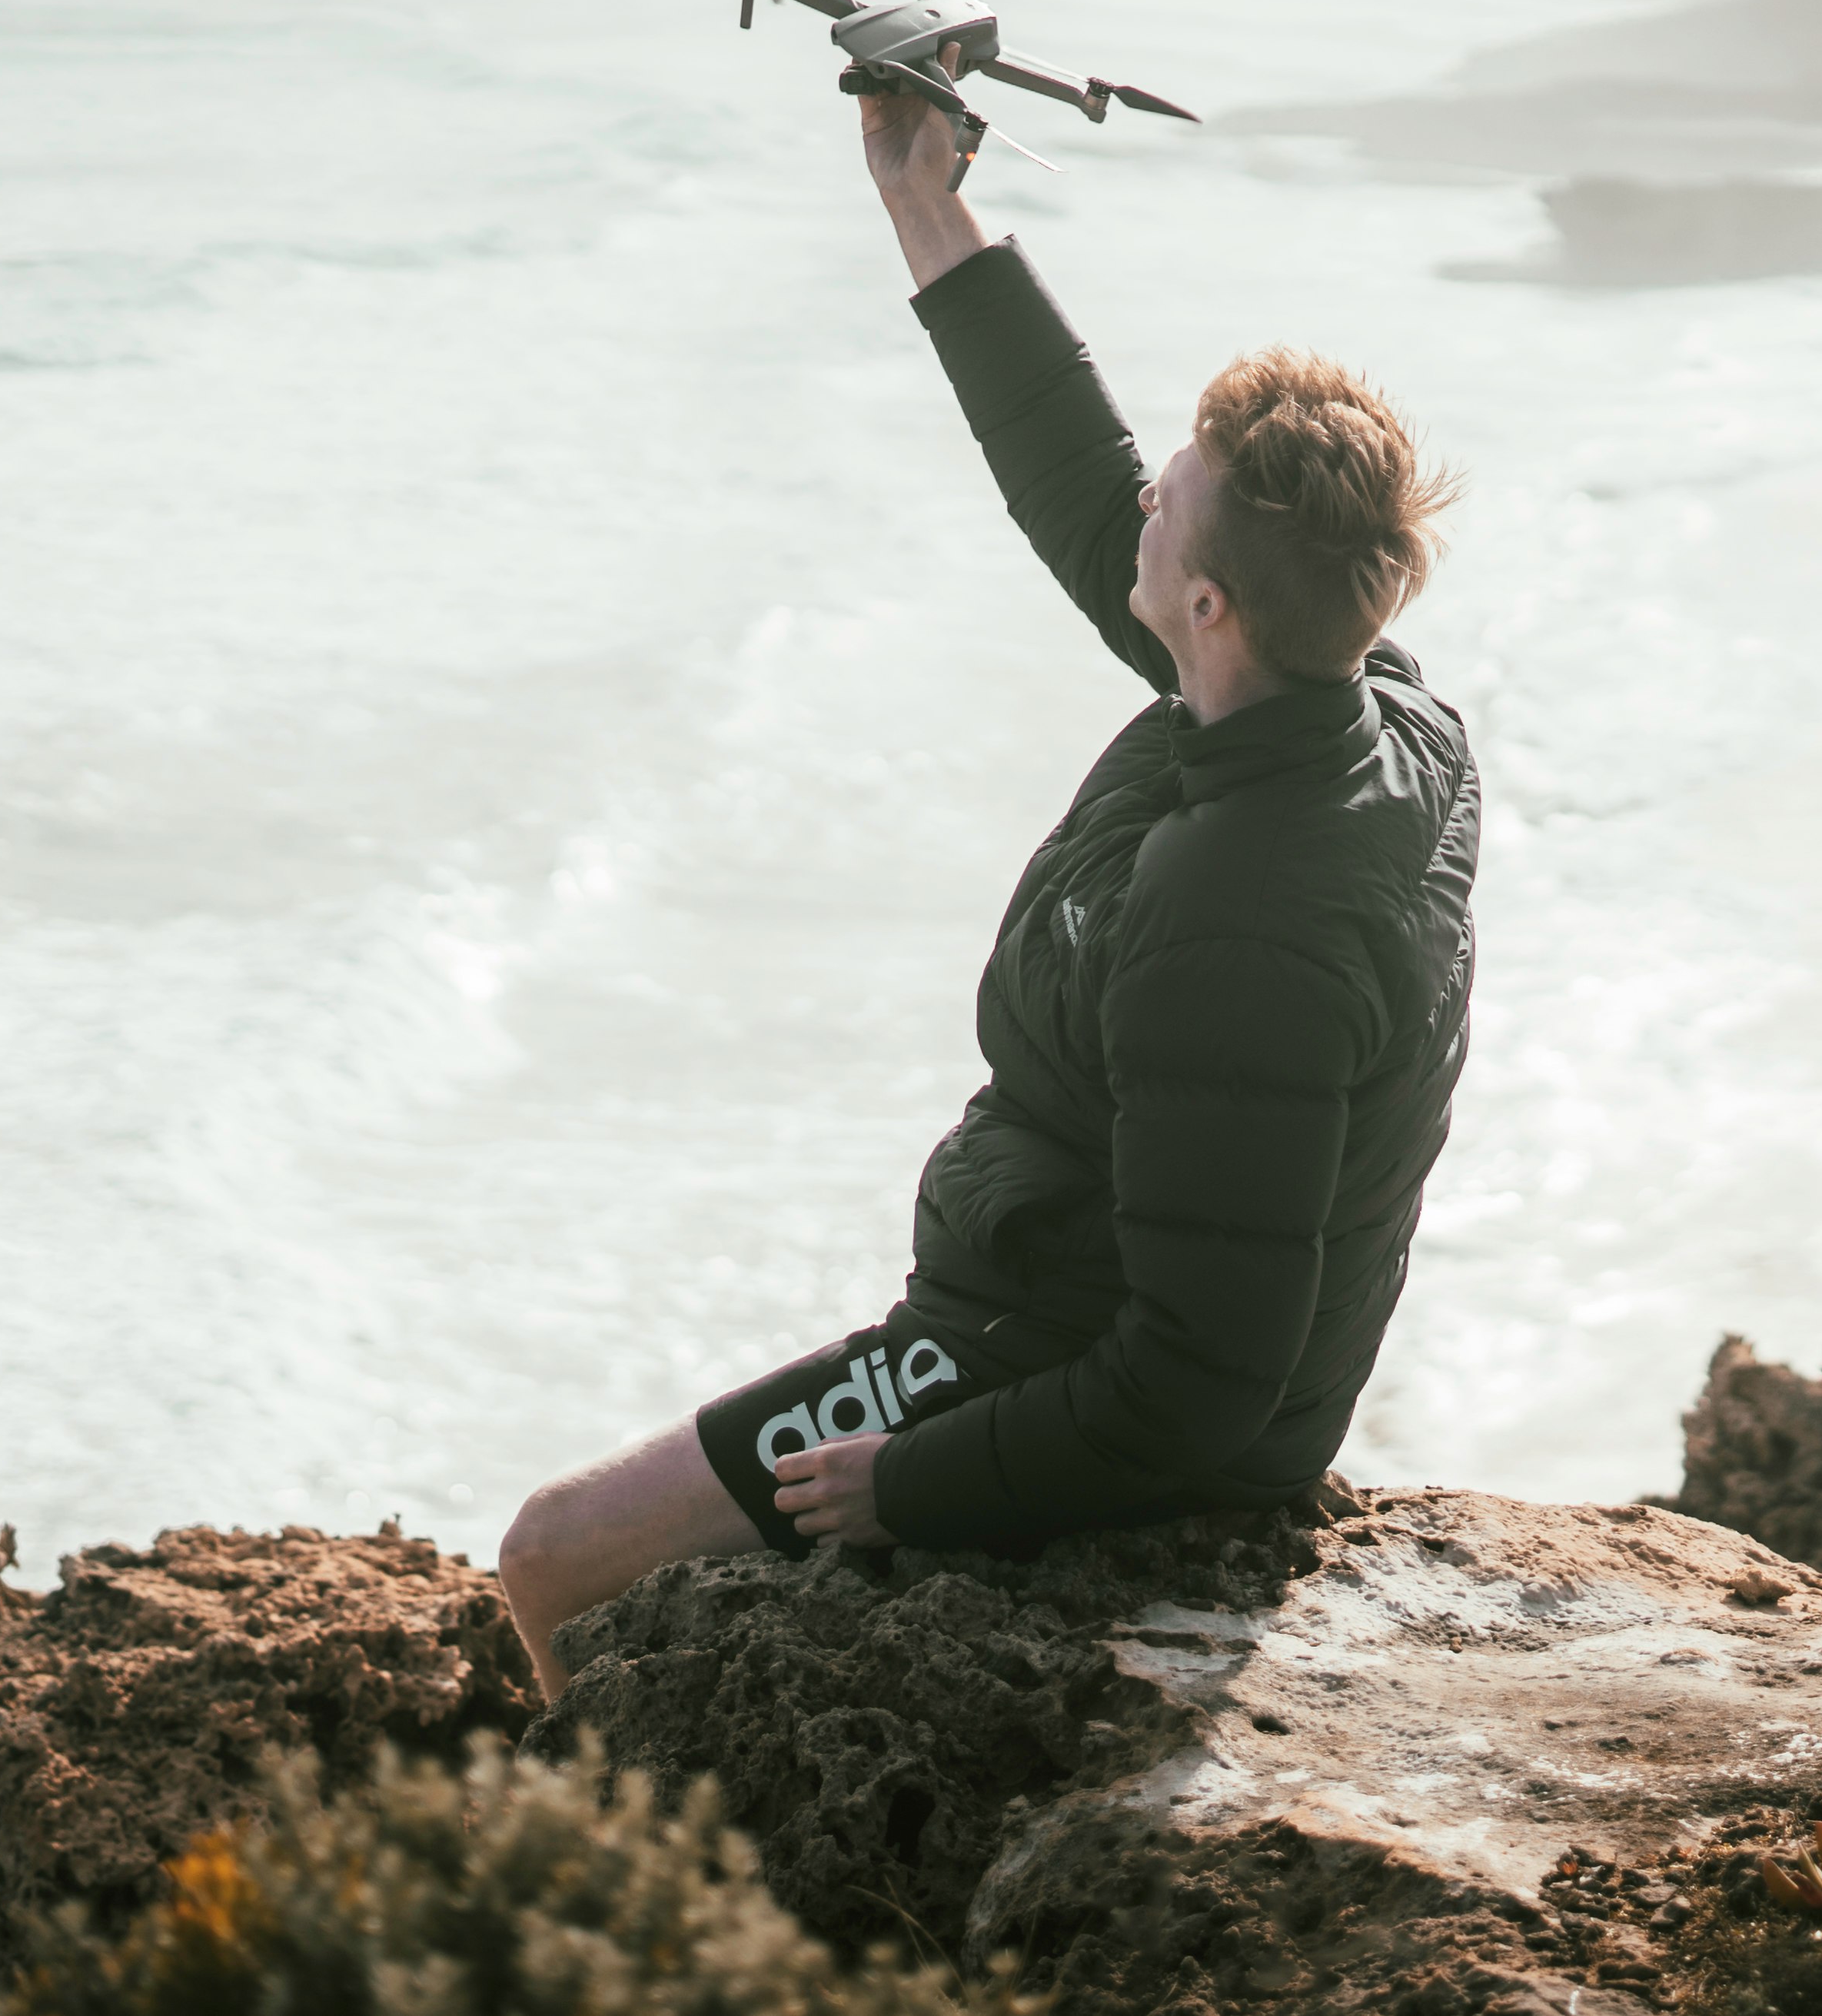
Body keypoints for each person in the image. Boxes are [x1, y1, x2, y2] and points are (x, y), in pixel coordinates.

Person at [492, 88, 1481, 1700]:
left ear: (1212, 604)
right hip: (1063, 1293)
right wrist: (923, 205)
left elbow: (1194, 1383)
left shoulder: (1235, 927)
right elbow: (1081, 490)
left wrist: (914, 1480)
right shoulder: (1351, 711)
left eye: (1169, 504)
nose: (1139, 511)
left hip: (1056, 1363)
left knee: (559, 1552)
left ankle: (663, 1900)